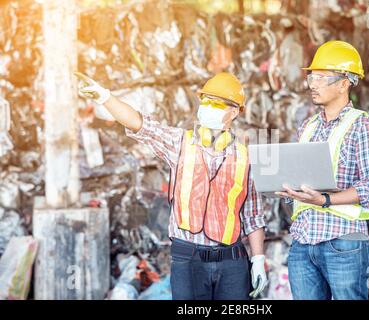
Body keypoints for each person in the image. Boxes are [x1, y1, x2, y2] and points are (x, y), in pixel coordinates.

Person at [76, 72, 268, 300]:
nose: (207, 107)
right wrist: (104, 96)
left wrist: (257, 259)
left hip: (232, 262)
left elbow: (253, 216)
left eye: (215, 103)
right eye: (205, 101)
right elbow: (139, 124)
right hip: (188, 259)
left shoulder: (245, 156)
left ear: (234, 112)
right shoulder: (180, 143)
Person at [276, 40, 369, 300]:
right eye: (311, 77)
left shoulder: (364, 127)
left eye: (321, 77)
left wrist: (325, 199)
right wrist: (287, 188)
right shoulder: (307, 127)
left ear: (344, 82)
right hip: (303, 242)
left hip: (343, 242)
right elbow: (303, 176)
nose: (312, 84)